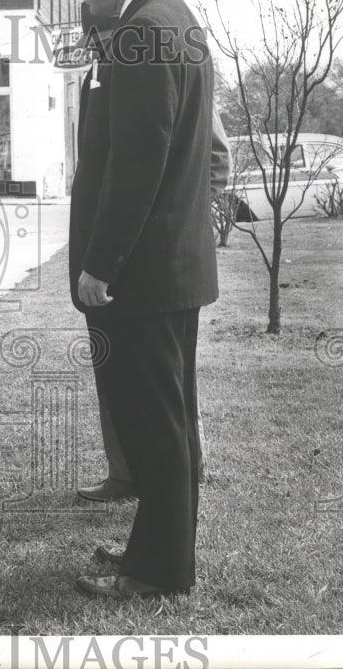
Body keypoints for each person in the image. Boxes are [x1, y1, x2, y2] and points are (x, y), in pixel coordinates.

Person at [64, 0, 219, 598]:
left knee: (155, 426)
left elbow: (138, 165)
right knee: (169, 421)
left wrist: (101, 265)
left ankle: (158, 571)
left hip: (142, 277)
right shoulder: (174, 19)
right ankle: (154, 553)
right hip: (170, 269)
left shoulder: (143, 32)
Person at [76, 104, 231, 502]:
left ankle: (185, 469)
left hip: (154, 256)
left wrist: (178, 215)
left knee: (168, 376)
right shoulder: (96, 71)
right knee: (113, 369)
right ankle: (124, 472)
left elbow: (217, 160)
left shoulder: (161, 70)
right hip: (108, 252)